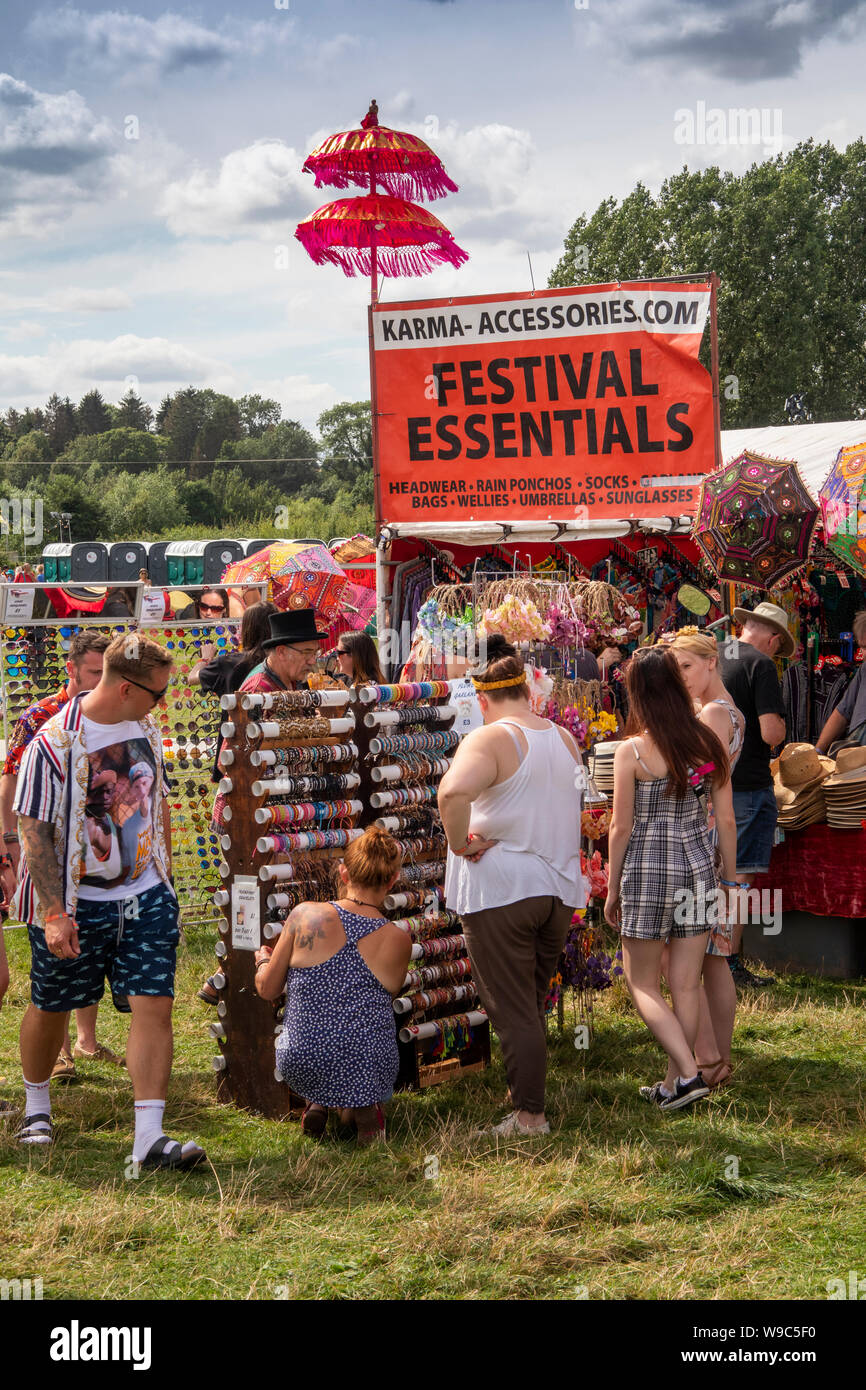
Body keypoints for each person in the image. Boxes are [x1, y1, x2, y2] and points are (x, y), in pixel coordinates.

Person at [12, 633, 206, 1168]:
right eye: (157, 693)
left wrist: (164, 876)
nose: (161, 703)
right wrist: (54, 912)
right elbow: (34, 831)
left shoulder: (143, 724)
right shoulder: (55, 741)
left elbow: (155, 799)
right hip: (76, 901)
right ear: (125, 688)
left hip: (144, 893)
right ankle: (36, 1104)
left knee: (154, 1003)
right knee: (51, 1004)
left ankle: (148, 1136)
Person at [438, 634, 584, 1136]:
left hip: (505, 888)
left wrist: (459, 843)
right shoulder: (565, 739)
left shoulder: (490, 737)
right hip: (557, 891)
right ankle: (524, 1093)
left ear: (482, 700)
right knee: (531, 998)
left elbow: (452, 791)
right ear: (528, 691)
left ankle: (529, 1115)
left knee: (513, 1007)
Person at [605, 646, 737, 1111]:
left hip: (647, 868)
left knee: (641, 983)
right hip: (698, 866)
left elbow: (620, 828)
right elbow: (726, 818)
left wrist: (611, 886)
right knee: (685, 983)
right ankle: (674, 1083)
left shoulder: (633, 751)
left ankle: (686, 1073)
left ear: (638, 693)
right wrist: (731, 881)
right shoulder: (705, 744)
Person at [0, 630, 121, 1079]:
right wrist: (9, 841)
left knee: (87, 947)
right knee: (59, 958)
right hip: (49, 846)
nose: (101, 680)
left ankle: (87, 1040)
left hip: (98, 853)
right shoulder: (39, 718)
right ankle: (63, 1053)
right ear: (70, 669)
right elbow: (10, 779)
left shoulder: (115, 713)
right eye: (94, 671)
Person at [201, 610, 328, 1004]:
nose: (314, 660)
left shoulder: (288, 684)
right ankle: (244, 983)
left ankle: (228, 980)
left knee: (266, 901)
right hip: (248, 816)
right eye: (307, 652)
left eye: (316, 652)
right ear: (282, 650)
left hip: (269, 811)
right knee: (261, 901)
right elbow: (230, 761)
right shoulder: (258, 688)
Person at [255, 826, 411, 1145]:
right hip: (364, 1062)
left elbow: (268, 990)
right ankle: (366, 1110)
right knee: (359, 1028)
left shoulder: (304, 915)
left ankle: (317, 1102)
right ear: (392, 880)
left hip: (300, 1061)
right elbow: (383, 999)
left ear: (343, 872)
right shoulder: (398, 939)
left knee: (324, 1029)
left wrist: (262, 962)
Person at [669, 628, 745, 1091]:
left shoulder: (716, 712)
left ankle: (707, 1056)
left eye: (687, 667)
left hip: (702, 837)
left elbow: (697, 776)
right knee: (714, 958)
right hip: (709, 836)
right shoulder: (722, 709)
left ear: (712, 662)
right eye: (675, 669)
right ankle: (715, 1059)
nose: (681, 677)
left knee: (688, 958)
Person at [718, 602, 789, 988]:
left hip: (710, 782)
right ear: (772, 638)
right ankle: (727, 964)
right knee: (738, 878)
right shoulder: (760, 665)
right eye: (779, 646)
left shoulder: (713, 654)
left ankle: (703, 958)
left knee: (711, 876)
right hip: (746, 786)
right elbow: (770, 734)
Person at [188, 600, 277, 699]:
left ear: (247, 629)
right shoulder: (282, 661)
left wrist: (205, 658)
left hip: (236, 714)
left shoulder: (226, 663)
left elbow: (192, 679)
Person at [816, 610, 866, 752]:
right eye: (861, 647)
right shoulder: (864, 670)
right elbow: (842, 712)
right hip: (856, 752)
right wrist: (818, 751)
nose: (863, 655)